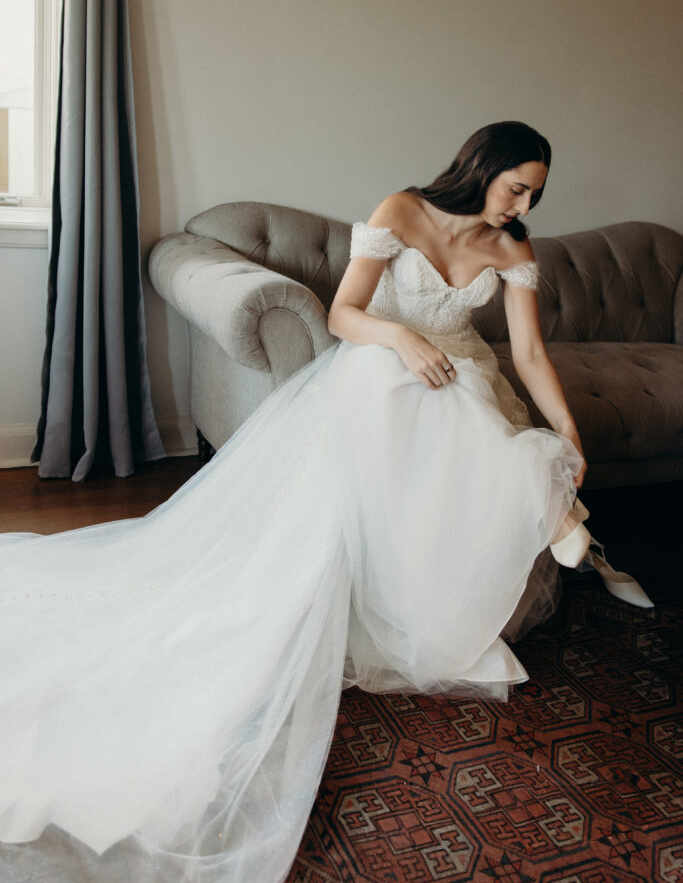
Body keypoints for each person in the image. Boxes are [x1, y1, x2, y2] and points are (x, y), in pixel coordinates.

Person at [0, 121, 650, 883]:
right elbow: (343, 315)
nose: (522, 204)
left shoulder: (513, 250)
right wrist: (399, 340)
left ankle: (545, 499)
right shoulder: (401, 212)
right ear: (482, 169)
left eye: (534, 194)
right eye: (516, 187)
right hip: (381, 363)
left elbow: (530, 353)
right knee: (403, 388)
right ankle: (561, 525)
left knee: (468, 407)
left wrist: (567, 432)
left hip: (463, 377)